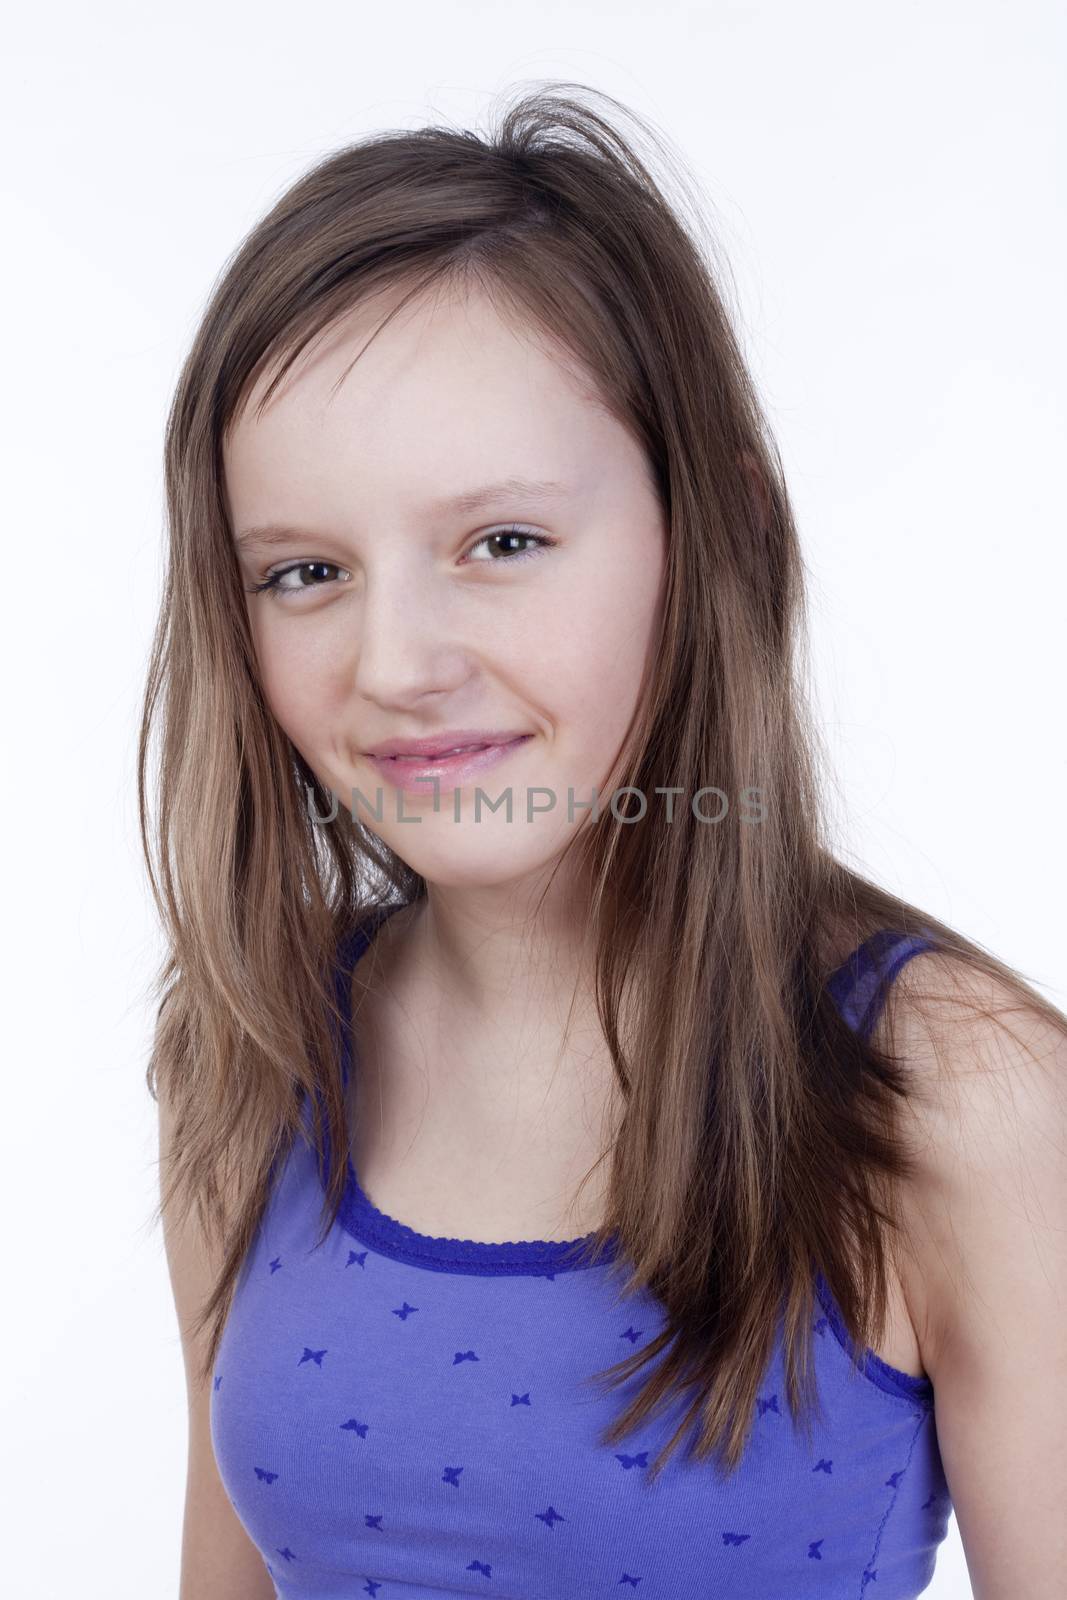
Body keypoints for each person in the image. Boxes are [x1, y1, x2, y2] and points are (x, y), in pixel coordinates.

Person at [142, 84, 1066, 1599]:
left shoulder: (966, 1101)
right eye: (303, 571)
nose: (395, 663)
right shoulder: (251, 1051)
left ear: (723, 538)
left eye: (500, 544)